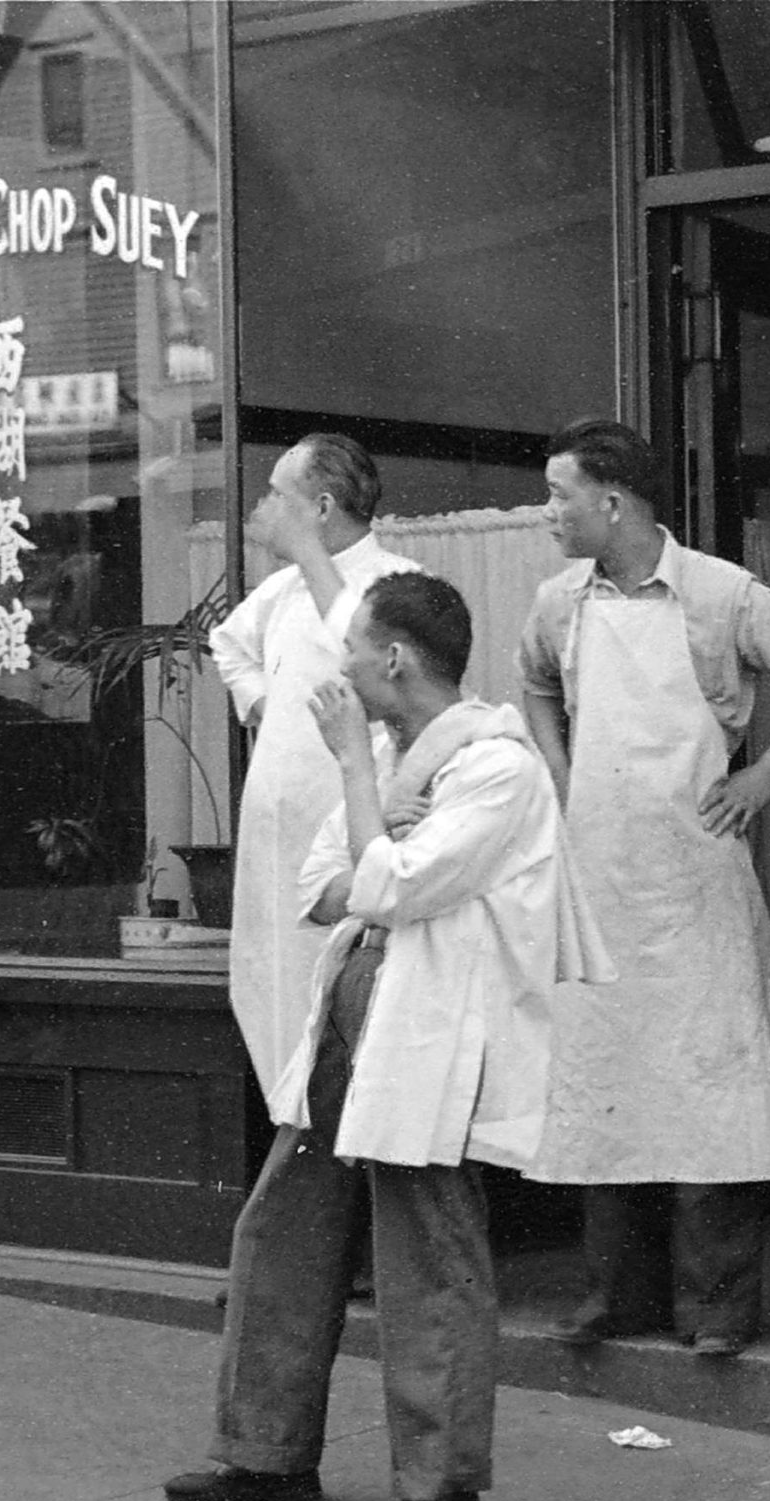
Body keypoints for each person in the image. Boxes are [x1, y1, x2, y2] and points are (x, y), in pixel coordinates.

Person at [165, 571, 564, 1501]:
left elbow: (395, 881)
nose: (338, 669)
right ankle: (263, 1449)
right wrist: (371, 864)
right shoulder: (394, 754)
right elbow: (322, 883)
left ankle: (440, 1480)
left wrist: (359, 804)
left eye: (351, 650)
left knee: (426, 1250)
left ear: (393, 659)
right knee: (283, 1229)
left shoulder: (499, 767)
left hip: (426, 1032)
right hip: (353, 1015)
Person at [516, 420, 770, 1357]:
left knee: (712, 1090)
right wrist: (556, 765)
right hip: (601, 876)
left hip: (696, 876)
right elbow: (535, 684)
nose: (549, 512)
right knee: (607, 1083)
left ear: (612, 503)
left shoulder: (719, 591)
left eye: (559, 495)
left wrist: (769, 771)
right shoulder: (557, 603)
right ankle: (614, 1297)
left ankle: (718, 1306)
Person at [210, 434, 418, 1101]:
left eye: (278, 492)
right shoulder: (279, 592)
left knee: (343, 1020)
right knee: (274, 995)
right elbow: (228, 644)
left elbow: (364, 640)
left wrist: (304, 552)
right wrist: (263, 702)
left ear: (322, 505)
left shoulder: (402, 583)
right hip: (275, 846)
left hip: (346, 838)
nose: (264, 506)